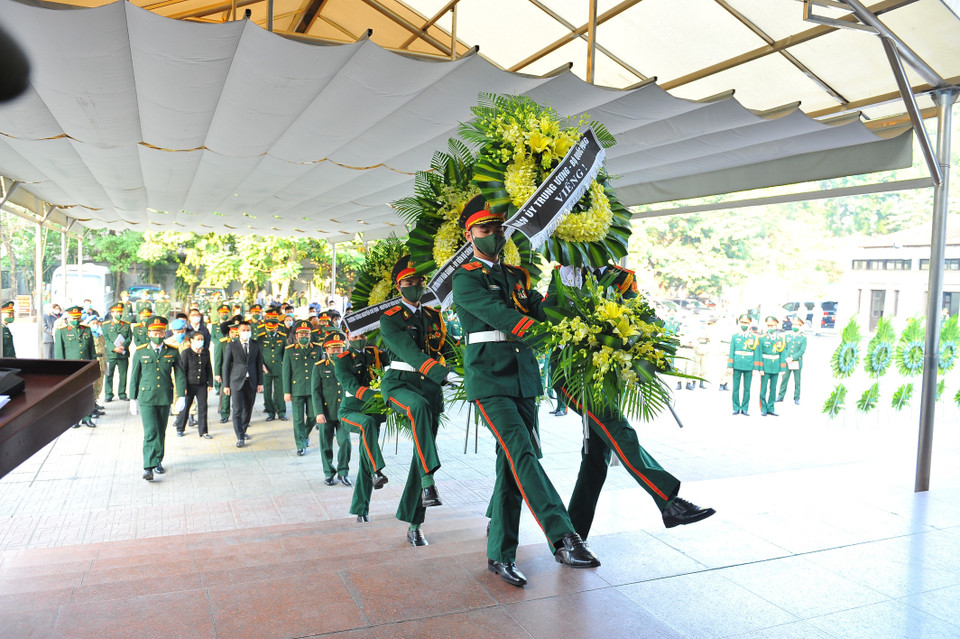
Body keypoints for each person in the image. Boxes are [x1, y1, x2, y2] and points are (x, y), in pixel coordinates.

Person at [451, 195, 600, 588]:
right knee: (523, 452)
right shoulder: (465, 277)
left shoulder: (516, 276)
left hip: (523, 379)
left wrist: (562, 281)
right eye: (486, 229)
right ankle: (563, 536)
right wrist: (542, 332)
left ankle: (500, 554)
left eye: (499, 228)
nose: (494, 234)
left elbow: (542, 310)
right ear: (470, 235)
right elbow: (501, 315)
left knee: (511, 468)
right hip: (489, 380)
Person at [547, 266, 715, 544]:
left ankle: (572, 535)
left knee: (595, 458)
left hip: (604, 374)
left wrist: (649, 350)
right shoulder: (563, 274)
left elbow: (639, 317)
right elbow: (548, 318)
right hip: (570, 374)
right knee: (616, 427)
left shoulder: (623, 276)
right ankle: (668, 501)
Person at [380, 255, 455, 546]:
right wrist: (441, 373)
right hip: (400, 385)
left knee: (420, 453)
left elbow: (448, 349)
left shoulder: (434, 316)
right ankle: (428, 481)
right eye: (408, 283)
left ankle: (414, 522)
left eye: (418, 282)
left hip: (429, 389)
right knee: (419, 409)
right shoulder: (390, 319)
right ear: (398, 287)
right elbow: (410, 353)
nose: (414, 286)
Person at [334, 329, 389, 523]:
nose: (360, 340)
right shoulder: (342, 359)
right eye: (355, 337)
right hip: (351, 412)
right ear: (347, 338)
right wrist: (379, 398)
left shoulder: (379, 354)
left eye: (363, 336)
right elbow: (352, 387)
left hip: (374, 413)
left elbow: (389, 375)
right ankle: (378, 470)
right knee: (366, 424)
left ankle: (361, 509)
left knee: (366, 458)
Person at [129, 316, 186, 480]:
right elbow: (134, 376)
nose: (158, 335)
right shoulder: (141, 352)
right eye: (154, 332)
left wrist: (181, 395)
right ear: (148, 333)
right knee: (150, 432)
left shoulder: (173, 351)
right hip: (146, 397)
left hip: (164, 396)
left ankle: (158, 460)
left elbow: (180, 375)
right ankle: (148, 467)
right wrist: (132, 398)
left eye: (161, 332)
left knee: (161, 431)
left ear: (164, 333)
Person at [312, 332, 350, 486]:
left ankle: (343, 472)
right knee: (326, 444)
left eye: (339, 348)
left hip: (344, 412)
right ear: (326, 350)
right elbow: (315, 391)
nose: (335, 351)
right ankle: (328, 473)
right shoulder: (320, 367)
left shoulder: (349, 365)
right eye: (332, 349)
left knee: (345, 442)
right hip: (325, 413)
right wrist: (318, 412)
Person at [282, 320, 322, 455]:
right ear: (296, 336)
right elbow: (286, 372)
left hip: (313, 389)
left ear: (310, 335)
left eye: (306, 333)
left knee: (312, 416)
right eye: (300, 334)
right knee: (298, 418)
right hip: (297, 389)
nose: (303, 336)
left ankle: (304, 434)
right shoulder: (290, 350)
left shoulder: (317, 349)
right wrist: (286, 391)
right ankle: (300, 445)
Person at [222, 319, 263, 447]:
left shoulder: (256, 345)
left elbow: (258, 364)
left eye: (248, 330)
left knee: (248, 408)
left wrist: (260, 383)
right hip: (236, 381)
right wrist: (226, 385)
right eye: (243, 330)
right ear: (238, 332)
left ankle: (243, 429)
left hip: (251, 381)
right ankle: (239, 436)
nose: (246, 333)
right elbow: (226, 366)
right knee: (237, 410)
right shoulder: (232, 345)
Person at [55, 306, 98, 428]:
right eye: (73, 318)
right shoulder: (62, 331)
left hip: (85, 368)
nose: (76, 320)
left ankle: (87, 418)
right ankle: (74, 419)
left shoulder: (87, 330)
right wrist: (61, 370)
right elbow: (59, 353)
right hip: (71, 368)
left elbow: (92, 351)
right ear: (68, 318)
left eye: (78, 318)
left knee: (87, 393)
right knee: (73, 395)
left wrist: (93, 367)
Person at [175, 330, 213, 438]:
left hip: (202, 384)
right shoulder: (186, 353)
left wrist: (210, 383)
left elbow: (208, 368)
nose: (200, 341)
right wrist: (184, 387)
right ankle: (180, 427)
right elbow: (183, 371)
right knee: (186, 407)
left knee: (203, 407)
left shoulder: (205, 352)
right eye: (198, 339)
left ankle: (203, 431)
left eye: (202, 339)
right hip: (189, 384)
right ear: (192, 341)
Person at [258, 308, 288, 422]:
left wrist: (284, 366)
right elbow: (258, 354)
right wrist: (261, 365)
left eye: (273, 328)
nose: (271, 330)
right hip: (266, 368)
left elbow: (286, 354)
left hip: (279, 368)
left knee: (280, 391)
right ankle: (270, 412)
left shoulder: (282, 337)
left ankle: (281, 412)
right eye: (268, 328)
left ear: (277, 327)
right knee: (267, 392)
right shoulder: (261, 338)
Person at [728, 313, 760, 416]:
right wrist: (730, 366)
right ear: (739, 323)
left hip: (749, 365)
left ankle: (745, 408)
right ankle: (736, 407)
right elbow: (731, 352)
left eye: (746, 323)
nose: (744, 324)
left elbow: (756, 354)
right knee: (735, 388)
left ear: (750, 324)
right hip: (736, 365)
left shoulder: (754, 338)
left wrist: (755, 368)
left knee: (747, 388)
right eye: (742, 322)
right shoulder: (735, 337)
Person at [102, 302, 132, 402]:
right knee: (108, 374)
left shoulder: (126, 325)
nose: (118, 314)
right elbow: (105, 338)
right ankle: (108, 394)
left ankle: (122, 393)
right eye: (116, 312)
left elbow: (129, 337)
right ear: (111, 313)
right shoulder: (106, 325)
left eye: (120, 311)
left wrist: (123, 346)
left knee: (123, 375)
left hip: (123, 354)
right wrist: (113, 348)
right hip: (110, 354)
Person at [214, 318, 241, 424]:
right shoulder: (222, 343)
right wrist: (217, 373)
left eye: (237, 333)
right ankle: (224, 414)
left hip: (238, 373)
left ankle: (238, 415)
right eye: (234, 333)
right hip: (226, 372)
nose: (236, 335)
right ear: (230, 332)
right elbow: (217, 359)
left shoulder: (241, 343)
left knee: (238, 395)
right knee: (225, 394)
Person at [758, 315, 786, 417]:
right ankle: (763, 408)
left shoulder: (781, 339)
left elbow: (783, 354)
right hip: (765, 367)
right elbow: (759, 354)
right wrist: (760, 368)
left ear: (776, 326)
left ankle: (771, 407)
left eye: (773, 326)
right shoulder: (762, 338)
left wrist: (783, 368)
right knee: (763, 389)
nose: (771, 328)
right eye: (769, 326)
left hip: (776, 367)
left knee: (773, 389)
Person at [777, 317, 807, 405]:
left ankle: (797, 397)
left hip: (797, 362)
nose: (795, 326)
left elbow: (802, 351)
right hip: (787, 362)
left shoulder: (803, 338)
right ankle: (780, 396)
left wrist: (792, 358)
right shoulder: (787, 336)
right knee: (784, 379)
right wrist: (786, 358)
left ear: (800, 326)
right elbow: (784, 348)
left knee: (797, 381)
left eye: (797, 325)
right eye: (794, 324)